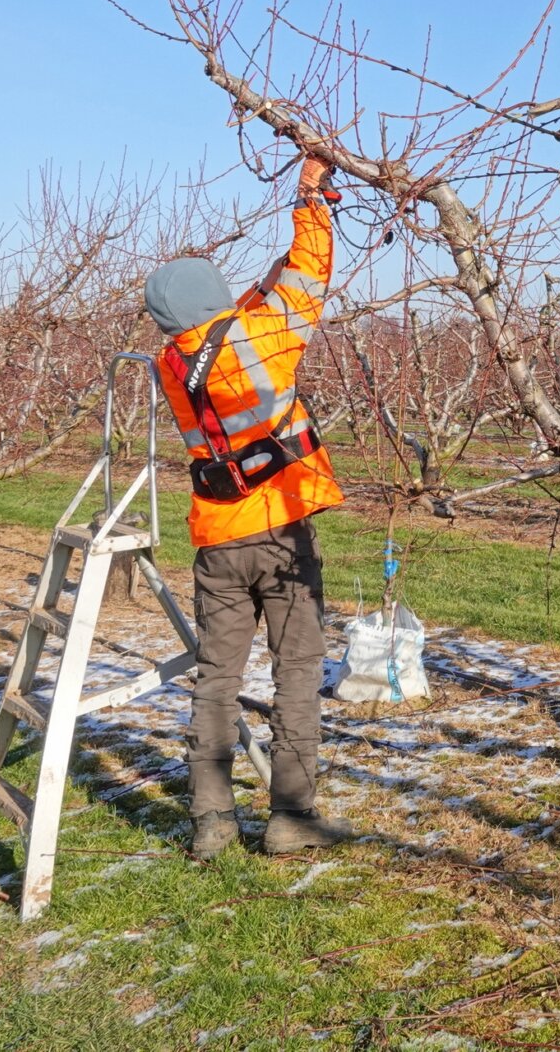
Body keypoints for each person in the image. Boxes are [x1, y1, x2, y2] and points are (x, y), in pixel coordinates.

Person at [144, 154, 353, 859]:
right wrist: (311, 195)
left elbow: (230, 328)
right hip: (282, 532)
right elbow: (308, 274)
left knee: (217, 678)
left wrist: (252, 296)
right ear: (221, 299)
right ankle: (292, 816)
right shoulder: (260, 337)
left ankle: (211, 820)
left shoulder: (172, 366)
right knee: (296, 672)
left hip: (217, 538)